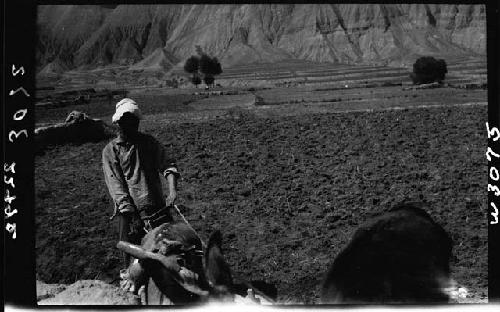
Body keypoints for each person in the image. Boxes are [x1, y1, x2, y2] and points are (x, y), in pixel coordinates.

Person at [102, 98, 180, 270]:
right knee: (133, 260)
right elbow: (116, 186)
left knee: (172, 248)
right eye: (128, 122)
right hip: (130, 212)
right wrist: (132, 215)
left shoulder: (149, 143)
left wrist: (172, 191)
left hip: (157, 205)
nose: (132, 126)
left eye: (135, 122)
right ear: (119, 123)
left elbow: (167, 165)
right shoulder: (111, 151)